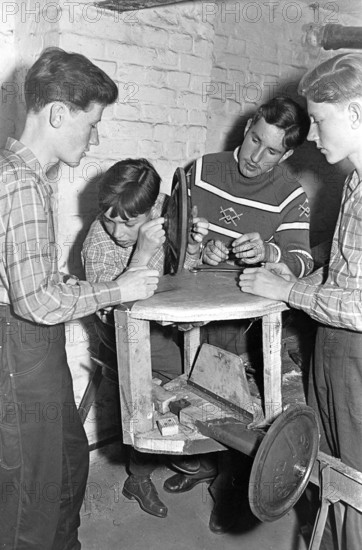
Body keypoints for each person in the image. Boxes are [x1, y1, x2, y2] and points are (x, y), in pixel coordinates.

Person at [0, 48, 161, 550]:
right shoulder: (21, 183)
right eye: (92, 124)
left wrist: (67, 285)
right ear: (57, 114)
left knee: (68, 458)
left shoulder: (25, 176)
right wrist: (120, 287)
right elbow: (33, 303)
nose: (96, 139)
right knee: (30, 490)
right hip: (20, 345)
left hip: (34, 345)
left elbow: (30, 279)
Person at [163, 96, 314, 534]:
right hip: (196, 311)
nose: (255, 156)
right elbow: (172, 244)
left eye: (271, 151)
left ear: (286, 154)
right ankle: (204, 465)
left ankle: (227, 491)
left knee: (242, 406)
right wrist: (199, 249)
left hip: (247, 317)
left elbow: (303, 259)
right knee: (196, 395)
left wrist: (269, 252)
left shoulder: (291, 194)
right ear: (248, 126)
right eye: (254, 140)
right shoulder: (201, 170)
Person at [238, 52, 362, 550]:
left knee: (355, 487)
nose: (312, 135)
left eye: (320, 120)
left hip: (356, 358)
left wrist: (287, 291)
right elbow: (345, 264)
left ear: (356, 113)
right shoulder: (354, 178)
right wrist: (286, 263)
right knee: (328, 473)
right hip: (333, 349)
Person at [81, 158, 208, 518]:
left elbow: (185, 270)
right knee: (153, 388)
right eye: (110, 219)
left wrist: (193, 246)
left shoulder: (166, 210)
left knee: (210, 360)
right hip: (124, 332)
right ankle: (138, 476)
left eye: (128, 223)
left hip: (167, 319)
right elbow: (114, 315)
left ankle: (193, 451)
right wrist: (141, 253)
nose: (117, 231)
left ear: (152, 208)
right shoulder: (98, 244)